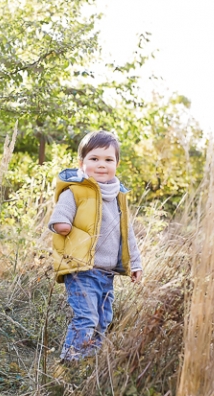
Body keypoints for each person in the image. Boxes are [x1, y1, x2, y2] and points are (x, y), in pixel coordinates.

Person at [48, 130, 143, 363]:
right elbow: (61, 214)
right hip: (81, 269)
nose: (102, 165)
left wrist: (135, 263)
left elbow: (127, 233)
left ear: (117, 164)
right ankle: (69, 363)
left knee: (103, 320)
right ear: (82, 163)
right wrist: (63, 225)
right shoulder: (76, 191)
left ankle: (88, 362)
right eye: (94, 159)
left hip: (106, 273)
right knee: (87, 317)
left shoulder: (118, 197)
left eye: (108, 160)